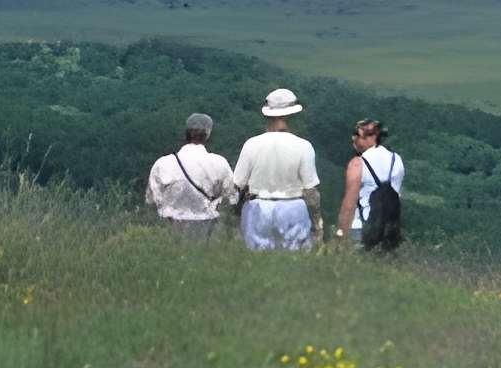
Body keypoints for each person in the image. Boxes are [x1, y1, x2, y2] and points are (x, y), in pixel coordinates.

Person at [230, 88, 325, 251]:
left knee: (256, 261)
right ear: (293, 116)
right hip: (293, 208)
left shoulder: (251, 144)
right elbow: (311, 192)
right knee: (293, 261)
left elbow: (237, 186)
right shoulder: (304, 146)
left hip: (258, 209)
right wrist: (318, 225)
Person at [142, 113, 238, 238]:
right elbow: (231, 195)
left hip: (169, 226)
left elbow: (151, 198)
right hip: (206, 227)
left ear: (186, 134)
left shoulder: (162, 163)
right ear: (208, 135)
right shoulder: (219, 163)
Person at [339, 118, 405, 251]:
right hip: (389, 230)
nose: (353, 139)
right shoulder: (396, 160)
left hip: (360, 228)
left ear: (372, 137)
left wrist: (340, 234)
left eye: (357, 135)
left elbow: (349, 204)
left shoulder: (358, 163)